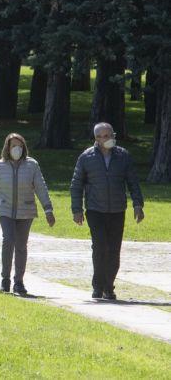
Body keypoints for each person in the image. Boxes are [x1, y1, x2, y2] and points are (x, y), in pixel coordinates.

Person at [70, 122, 145, 300]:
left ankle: (108, 286)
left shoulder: (123, 155)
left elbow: (133, 181)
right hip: (95, 209)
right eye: (102, 136)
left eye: (109, 135)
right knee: (100, 246)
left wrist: (137, 204)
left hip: (118, 209)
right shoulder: (86, 157)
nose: (106, 139)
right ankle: (98, 286)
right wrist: (77, 209)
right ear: (96, 139)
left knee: (114, 249)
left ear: (114, 135)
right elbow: (76, 184)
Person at [0, 133, 56, 295]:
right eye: (13, 146)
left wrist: (48, 209)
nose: (16, 149)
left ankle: (19, 281)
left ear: (24, 147)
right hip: (4, 210)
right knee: (8, 239)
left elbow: (41, 187)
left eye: (19, 146)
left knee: (21, 246)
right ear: (7, 148)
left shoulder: (32, 165)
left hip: (26, 211)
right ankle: (5, 279)